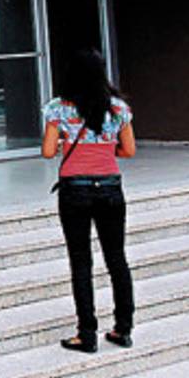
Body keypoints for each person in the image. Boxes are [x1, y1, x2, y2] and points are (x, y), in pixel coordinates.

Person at [42, 49, 136, 353]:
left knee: (81, 261)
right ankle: (123, 328)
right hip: (110, 187)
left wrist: (65, 142)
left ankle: (86, 333)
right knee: (117, 258)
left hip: (75, 189)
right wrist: (103, 149)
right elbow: (129, 150)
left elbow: (47, 151)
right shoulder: (119, 108)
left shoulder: (58, 108)